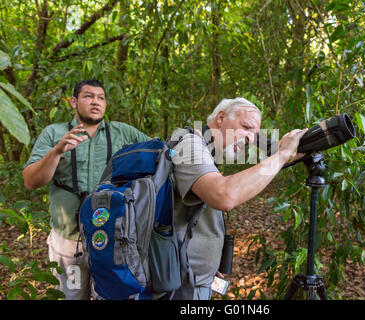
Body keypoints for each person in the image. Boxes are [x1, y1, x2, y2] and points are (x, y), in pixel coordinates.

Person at [22, 79, 150, 299]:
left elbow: (159, 157)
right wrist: (57, 151)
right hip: (69, 242)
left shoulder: (123, 133)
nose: (96, 102)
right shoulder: (54, 133)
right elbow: (31, 181)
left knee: (113, 296)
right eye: (88, 96)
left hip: (113, 240)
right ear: (73, 101)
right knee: (70, 296)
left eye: (101, 98)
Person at [169, 97, 307, 299]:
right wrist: (283, 154)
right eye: (246, 127)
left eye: (255, 134)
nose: (251, 139)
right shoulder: (190, 144)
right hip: (178, 287)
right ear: (221, 118)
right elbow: (224, 195)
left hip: (191, 280)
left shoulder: (207, 153)